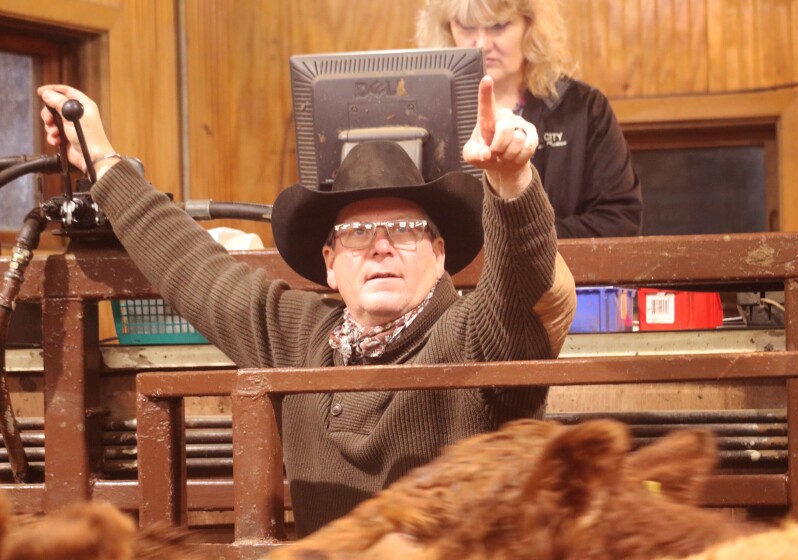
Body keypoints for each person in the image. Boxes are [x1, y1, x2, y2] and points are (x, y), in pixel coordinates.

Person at [38, 75, 576, 536]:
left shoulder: (473, 335)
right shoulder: (295, 334)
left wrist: (510, 184)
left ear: (441, 255)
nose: (381, 245)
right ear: (328, 263)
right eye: (358, 232)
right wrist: (103, 163)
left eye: (407, 230)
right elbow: (194, 268)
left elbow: (518, 283)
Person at [416, 0, 643, 238]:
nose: (482, 44)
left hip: (563, 273)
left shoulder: (586, 109)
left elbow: (620, 221)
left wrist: (521, 240)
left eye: (499, 26)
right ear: (446, 28)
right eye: (466, 26)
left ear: (530, 27)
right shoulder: (424, 112)